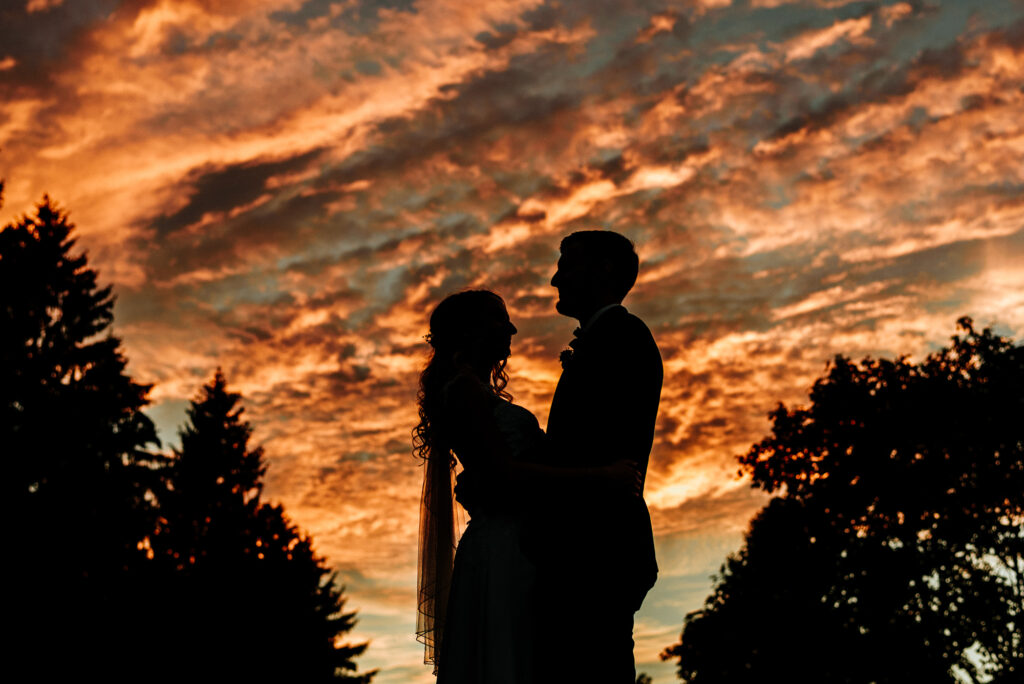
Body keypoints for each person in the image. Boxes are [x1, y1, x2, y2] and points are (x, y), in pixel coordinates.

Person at [414, 289, 639, 683]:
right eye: (500, 319)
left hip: (523, 544)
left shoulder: (478, 392)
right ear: (471, 331)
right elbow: (505, 474)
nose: (513, 328)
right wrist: (603, 478)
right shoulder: (464, 393)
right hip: (504, 549)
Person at [533, 230, 663, 683]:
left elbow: (592, 448)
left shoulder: (624, 337)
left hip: (597, 545)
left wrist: (516, 473)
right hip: (584, 546)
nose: (554, 279)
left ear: (603, 270)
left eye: (566, 265)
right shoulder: (603, 339)